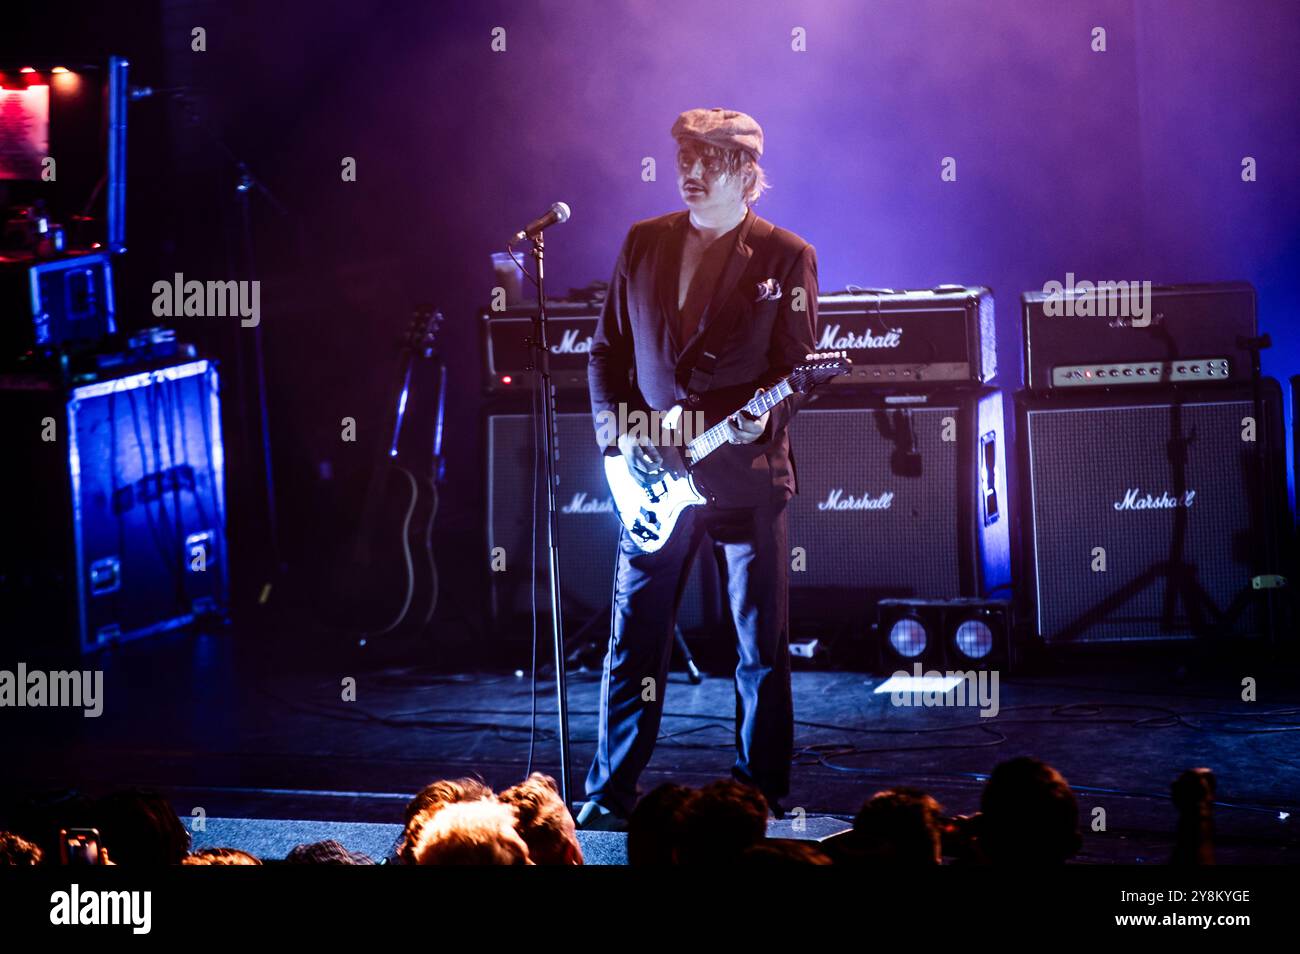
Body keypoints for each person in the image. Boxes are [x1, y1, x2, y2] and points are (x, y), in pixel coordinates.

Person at [579, 107, 817, 830]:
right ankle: (609, 792)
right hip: (651, 476)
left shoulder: (784, 254)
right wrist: (618, 455)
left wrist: (763, 419)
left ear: (746, 172)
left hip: (744, 474)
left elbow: (797, 368)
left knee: (759, 650)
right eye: (683, 155)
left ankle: (760, 795)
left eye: (707, 159)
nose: (689, 170)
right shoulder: (644, 242)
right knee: (634, 642)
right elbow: (606, 356)